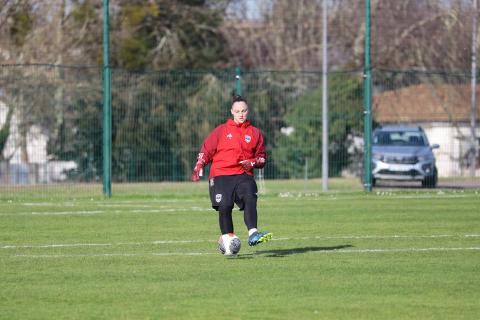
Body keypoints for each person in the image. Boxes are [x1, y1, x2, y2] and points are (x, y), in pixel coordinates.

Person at [191, 95, 272, 247]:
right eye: (238, 111)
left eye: (244, 111)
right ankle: (228, 240)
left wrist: (252, 162)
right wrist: (199, 164)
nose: (241, 114)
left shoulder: (255, 133)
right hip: (221, 174)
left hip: (243, 174)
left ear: (248, 111)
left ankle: (253, 233)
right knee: (225, 206)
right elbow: (207, 149)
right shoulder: (221, 130)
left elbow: (262, 158)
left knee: (250, 197)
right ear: (232, 112)